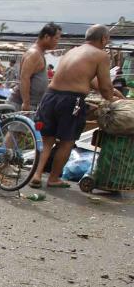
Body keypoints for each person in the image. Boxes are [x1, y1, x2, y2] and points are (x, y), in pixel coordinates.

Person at [30, 24, 122, 189]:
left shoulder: (72, 51)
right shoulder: (101, 55)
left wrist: (112, 91)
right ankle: (53, 178)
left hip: (50, 97)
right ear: (103, 39)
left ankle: (36, 175)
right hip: (71, 101)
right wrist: (115, 100)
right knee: (67, 141)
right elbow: (105, 88)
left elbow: (85, 78)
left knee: (47, 139)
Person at [8, 23, 61, 112]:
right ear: (47, 37)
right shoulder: (34, 54)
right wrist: (26, 103)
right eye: (56, 38)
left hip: (31, 105)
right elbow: (24, 78)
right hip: (20, 105)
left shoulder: (40, 53)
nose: (57, 42)